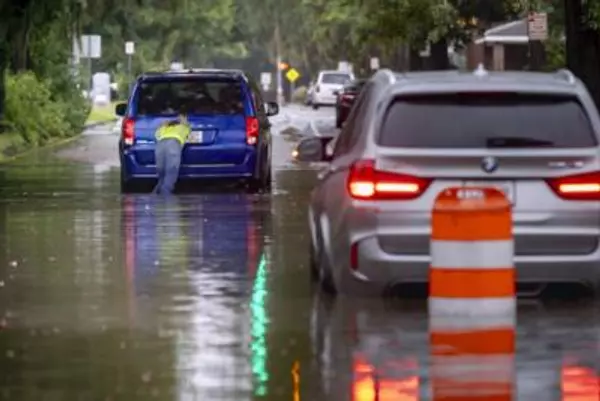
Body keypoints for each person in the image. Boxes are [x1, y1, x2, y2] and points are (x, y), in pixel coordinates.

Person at [153, 113, 191, 194]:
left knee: (162, 177)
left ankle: (156, 199)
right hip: (173, 144)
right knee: (170, 174)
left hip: (160, 145)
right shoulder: (184, 127)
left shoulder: (164, 128)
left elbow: (156, 135)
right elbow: (188, 128)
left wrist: (162, 125)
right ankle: (167, 201)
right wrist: (184, 121)